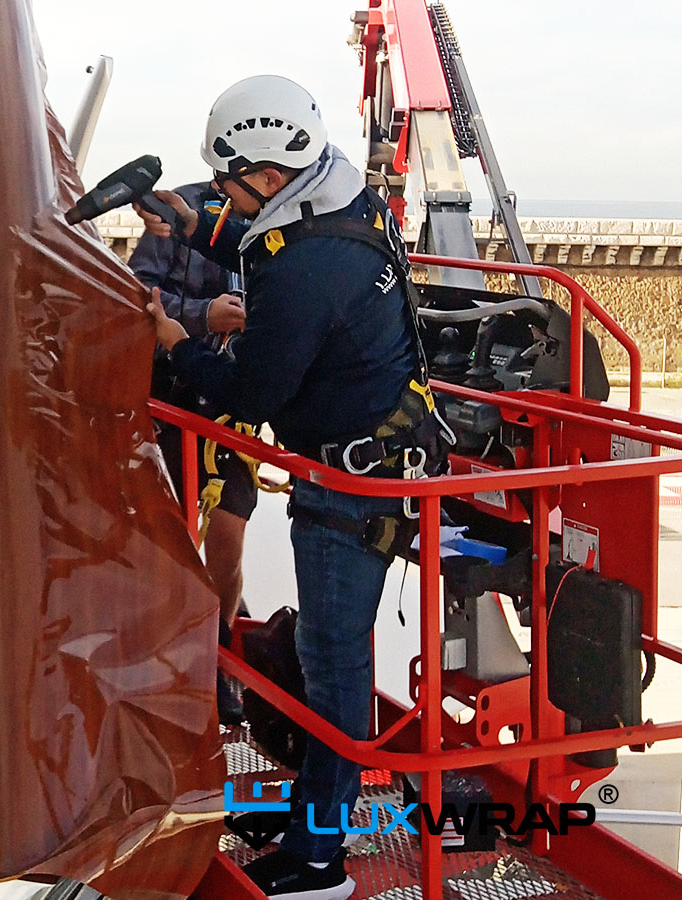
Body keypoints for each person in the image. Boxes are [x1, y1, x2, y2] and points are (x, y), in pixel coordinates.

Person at [137, 75, 448, 900]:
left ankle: (319, 861)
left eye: (230, 183)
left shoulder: (310, 271)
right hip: (364, 461)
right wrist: (186, 217)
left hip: (351, 487)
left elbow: (248, 395)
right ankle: (319, 807)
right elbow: (253, 236)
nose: (227, 196)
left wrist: (174, 338)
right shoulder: (333, 193)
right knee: (325, 654)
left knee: (334, 667)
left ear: (270, 175)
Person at [127, 182, 255, 725]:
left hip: (231, 402)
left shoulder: (278, 224)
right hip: (174, 394)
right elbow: (137, 297)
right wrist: (205, 316)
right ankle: (169, 657)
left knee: (226, 543)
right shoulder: (175, 214)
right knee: (172, 540)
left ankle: (218, 655)